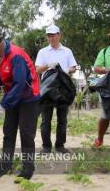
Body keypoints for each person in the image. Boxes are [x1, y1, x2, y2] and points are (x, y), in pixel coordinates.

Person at [0, 27, 40, 183]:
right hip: (13, 97)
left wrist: (2, 105)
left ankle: (28, 168)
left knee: (26, 133)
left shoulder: (16, 55)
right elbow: (0, 78)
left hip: (29, 98)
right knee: (8, 132)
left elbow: (19, 84)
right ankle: (5, 165)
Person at [35, 24, 77, 154]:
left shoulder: (67, 51)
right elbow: (37, 69)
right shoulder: (43, 52)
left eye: (53, 35)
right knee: (45, 120)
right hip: (47, 90)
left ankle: (60, 145)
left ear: (59, 35)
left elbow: (73, 67)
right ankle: (46, 146)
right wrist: (48, 65)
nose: (51, 38)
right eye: (49, 36)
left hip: (63, 89)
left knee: (62, 120)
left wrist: (65, 70)